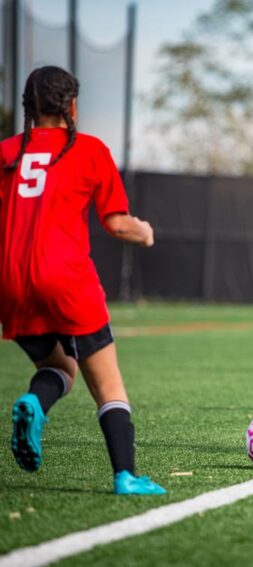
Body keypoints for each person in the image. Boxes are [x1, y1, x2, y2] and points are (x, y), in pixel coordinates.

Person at [0, 66, 166, 495]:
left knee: (59, 366)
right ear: (72, 106)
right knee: (108, 383)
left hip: (12, 283)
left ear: (27, 107)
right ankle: (126, 475)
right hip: (67, 280)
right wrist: (144, 231)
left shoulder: (5, 154)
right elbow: (116, 224)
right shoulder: (89, 150)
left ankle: (36, 402)